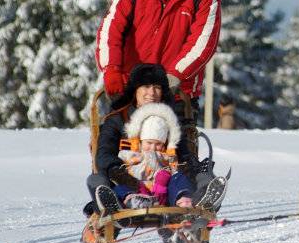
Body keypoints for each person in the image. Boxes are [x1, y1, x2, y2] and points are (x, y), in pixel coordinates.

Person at [95, 0, 222, 161]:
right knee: (117, 144)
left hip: (177, 90)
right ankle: (112, 184)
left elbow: (203, 42)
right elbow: (110, 30)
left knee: (176, 150)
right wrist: (111, 69)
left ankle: (185, 191)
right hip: (132, 90)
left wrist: (172, 78)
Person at [86, 63, 225, 216]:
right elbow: (104, 155)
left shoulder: (170, 120)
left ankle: (202, 201)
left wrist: (189, 169)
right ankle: (113, 205)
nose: (151, 92)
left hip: (166, 183)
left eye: (157, 87)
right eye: (145, 86)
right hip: (127, 180)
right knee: (96, 179)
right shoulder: (117, 120)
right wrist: (120, 174)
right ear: (135, 90)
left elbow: (184, 155)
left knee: (201, 173)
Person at [115, 101, 193, 209]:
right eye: (149, 143)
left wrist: (165, 178)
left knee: (179, 178)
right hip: (137, 189)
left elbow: (175, 171)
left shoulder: (166, 157)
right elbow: (120, 166)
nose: (153, 148)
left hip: (163, 194)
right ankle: (133, 199)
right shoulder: (131, 155)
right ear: (141, 141)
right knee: (119, 186)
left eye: (158, 144)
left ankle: (182, 199)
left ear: (164, 144)